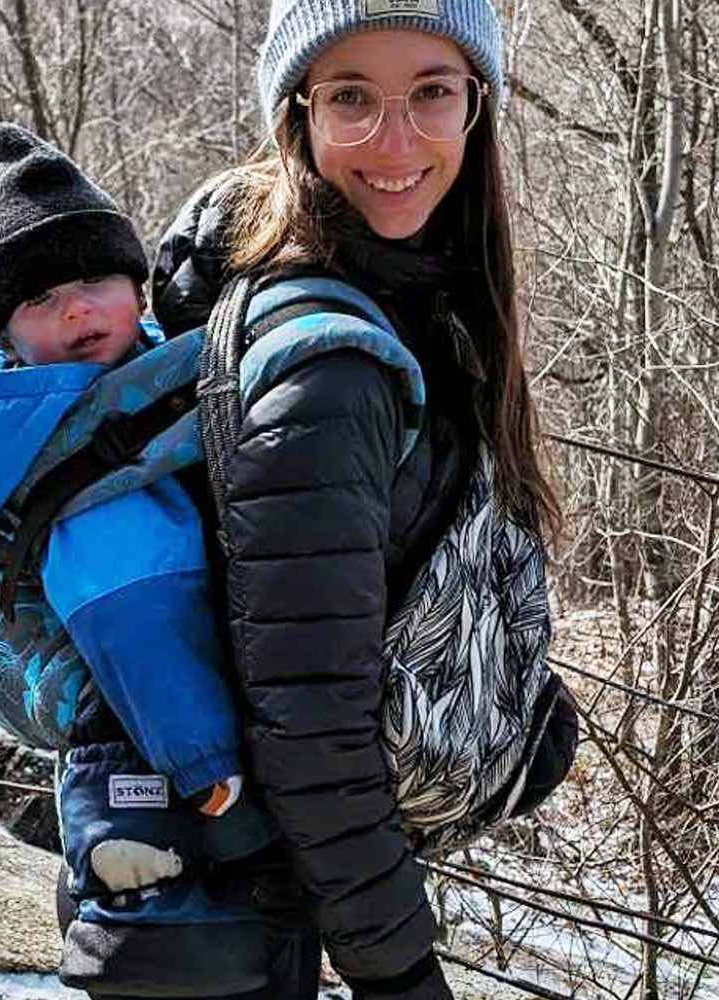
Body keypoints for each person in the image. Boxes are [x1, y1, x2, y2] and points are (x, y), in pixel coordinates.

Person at [147, 1, 577, 998]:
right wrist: (400, 973)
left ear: (476, 104)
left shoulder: (401, 293)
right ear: (299, 111)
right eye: (352, 97)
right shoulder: (330, 370)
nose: (395, 142)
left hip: (253, 884)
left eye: (430, 92)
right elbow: (310, 724)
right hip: (241, 905)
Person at [0, 122, 275, 998]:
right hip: (126, 707)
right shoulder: (84, 432)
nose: (76, 309)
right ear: (3, 331)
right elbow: (135, 609)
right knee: (166, 908)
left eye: (97, 279)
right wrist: (207, 762)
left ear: (140, 287)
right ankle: (144, 937)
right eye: (42, 297)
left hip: (50, 678)